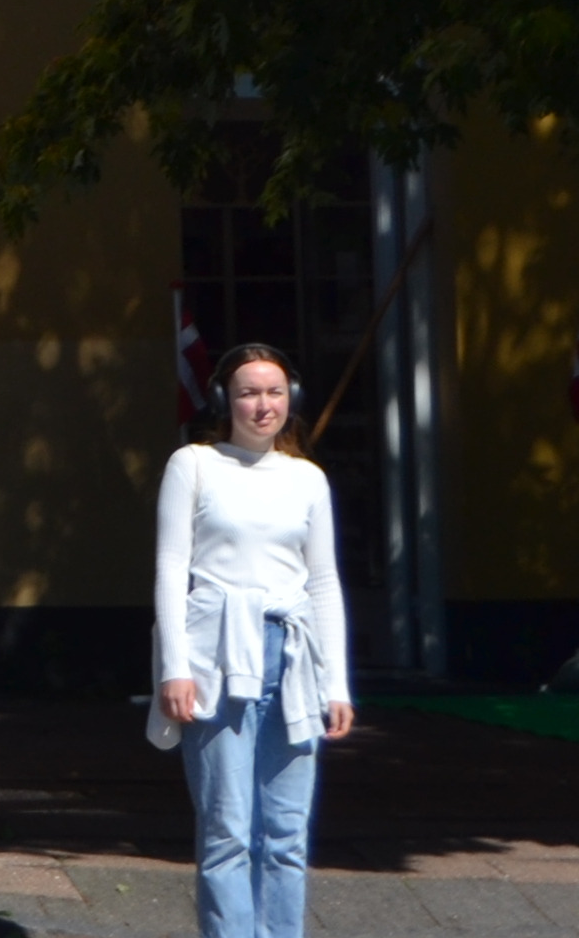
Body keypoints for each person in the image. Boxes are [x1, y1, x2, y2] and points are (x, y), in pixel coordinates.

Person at [154, 343, 356, 938]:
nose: (262, 405)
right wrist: (174, 668)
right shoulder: (193, 465)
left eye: (274, 391)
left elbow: (323, 583)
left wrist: (336, 682)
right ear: (224, 400)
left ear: (291, 398)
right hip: (216, 658)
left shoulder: (306, 479)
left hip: (293, 662)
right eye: (248, 392)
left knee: (287, 836)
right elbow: (171, 569)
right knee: (228, 831)